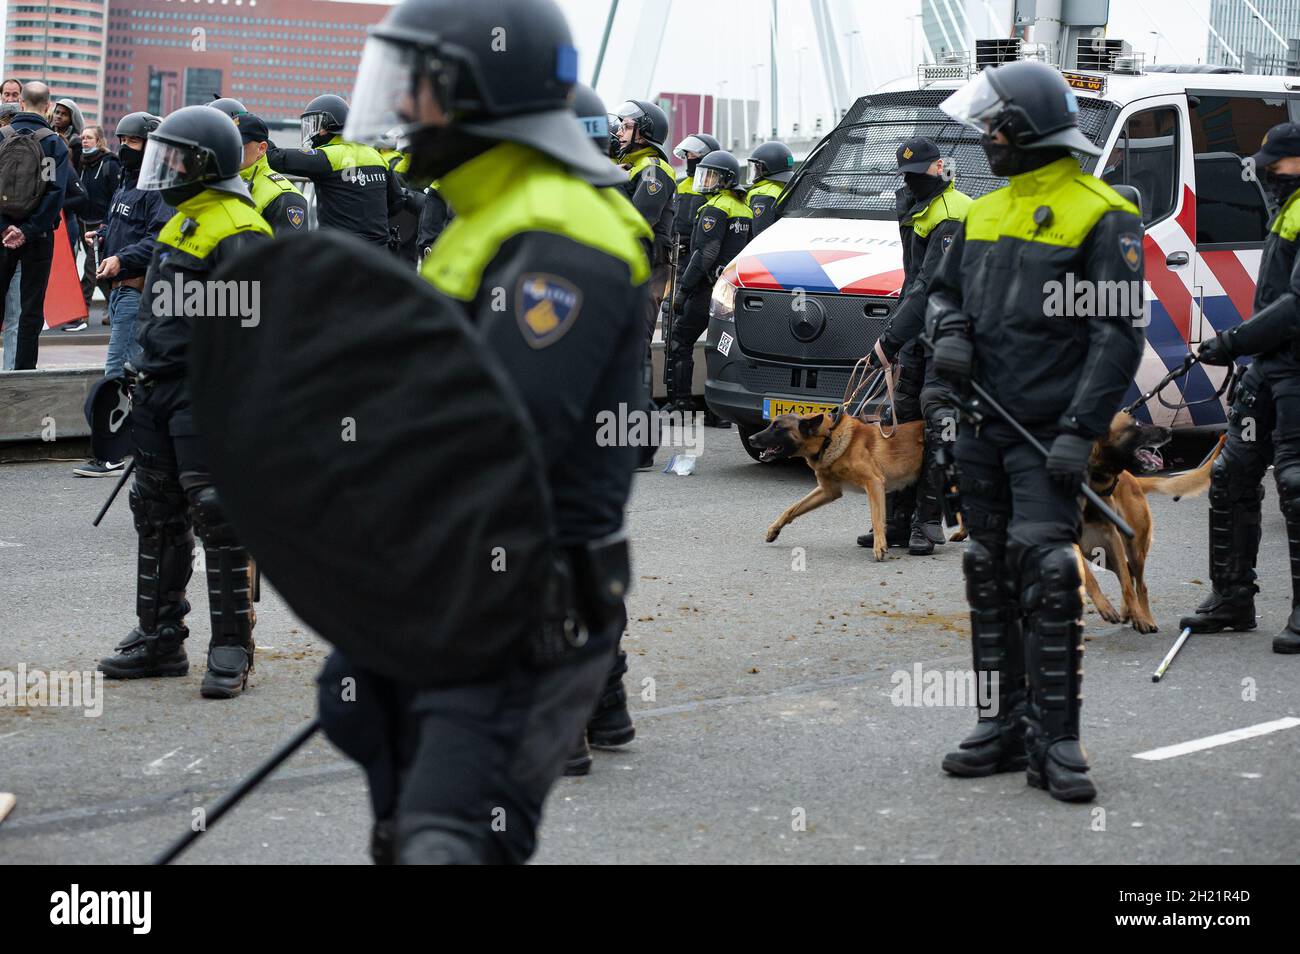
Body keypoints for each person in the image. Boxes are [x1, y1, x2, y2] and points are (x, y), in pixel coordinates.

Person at [329, 0, 649, 863]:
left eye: (420, 91)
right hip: (446, 585)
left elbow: (502, 440)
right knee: (392, 796)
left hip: (519, 602)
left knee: (453, 837)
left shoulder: (560, 234)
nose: (401, 110)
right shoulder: (486, 216)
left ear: (482, 94)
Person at [928, 61, 1145, 802]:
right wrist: (950, 327)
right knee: (986, 569)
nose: (984, 139)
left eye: (993, 127)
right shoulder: (981, 212)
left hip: (1046, 431)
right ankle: (1002, 725)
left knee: (1048, 575)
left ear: (1022, 131)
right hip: (983, 424)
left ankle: (1057, 739)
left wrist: (1079, 430)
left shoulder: (1101, 211)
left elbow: (1117, 336)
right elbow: (940, 293)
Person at [95, 105, 272, 698]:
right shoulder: (180, 219)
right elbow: (160, 306)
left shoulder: (240, 226)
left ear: (205, 164)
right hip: (158, 388)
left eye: (174, 156)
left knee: (218, 514)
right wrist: (136, 366)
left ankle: (231, 648)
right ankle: (160, 638)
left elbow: (249, 320)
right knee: (155, 512)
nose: (162, 166)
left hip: (207, 391)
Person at [1186, 121, 1300, 654]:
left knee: (1295, 488)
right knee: (1231, 475)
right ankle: (1232, 597)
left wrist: (1231, 340)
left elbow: (1296, 306)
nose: (1265, 173)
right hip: (1269, 366)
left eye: (1276, 163)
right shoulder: (1286, 208)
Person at [858, 137, 971, 556]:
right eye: (906, 175)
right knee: (902, 423)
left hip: (952, 333)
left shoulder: (952, 213)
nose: (911, 181)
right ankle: (895, 522)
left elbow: (931, 286)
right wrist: (897, 332)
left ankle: (928, 522)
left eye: (917, 173)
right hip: (919, 331)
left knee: (937, 424)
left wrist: (888, 340)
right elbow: (912, 284)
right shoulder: (917, 208)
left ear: (939, 168)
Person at [72, 112, 171, 477]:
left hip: (135, 290)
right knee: (133, 374)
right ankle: (144, 447)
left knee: (116, 374)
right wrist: (102, 237)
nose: (123, 148)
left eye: (131, 142)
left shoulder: (159, 189)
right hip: (117, 290)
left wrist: (121, 258)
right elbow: (127, 228)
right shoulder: (127, 182)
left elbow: (158, 239)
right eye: (121, 140)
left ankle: (110, 455)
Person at [666, 149, 752, 414]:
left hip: (705, 289)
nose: (705, 181)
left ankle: (680, 404)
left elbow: (705, 254)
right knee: (724, 348)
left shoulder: (714, 208)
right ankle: (723, 415)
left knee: (680, 340)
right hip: (731, 292)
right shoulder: (744, 209)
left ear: (725, 180)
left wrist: (683, 291)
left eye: (711, 176)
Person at [0, 81, 72, 370]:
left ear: (20, 103)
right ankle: (23, 376)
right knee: (30, 311)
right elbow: (55, 193)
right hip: (38, 238)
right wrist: (28, 230)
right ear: (47, 106)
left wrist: (6, 227)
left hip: (1, 236)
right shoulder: (52, 143)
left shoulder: (2, 136)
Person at [265, 94, 402, 246]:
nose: (313, 131)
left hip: (340, 252)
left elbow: (275, 158)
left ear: (327, 125)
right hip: (378, 252)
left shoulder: (327, 157)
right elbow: (397, 200)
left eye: (315, 124)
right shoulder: (376, 156)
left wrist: (256, 133)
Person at [233, 114, 309, 235]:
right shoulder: (221, 183)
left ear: (262, 148)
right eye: (228, 142)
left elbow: (292, 252)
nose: (231, 149)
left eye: (238, 145)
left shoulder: (286, 197)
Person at [76, 125, 121, 311]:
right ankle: (115, 307)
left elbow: (116, 196)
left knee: (90, 270)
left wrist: (107, 222)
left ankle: (81, 313)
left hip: (101, 225)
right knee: (100, 270)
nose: (84, 141)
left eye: (88, 137)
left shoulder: (110, 164)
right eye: (83, 138)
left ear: (99, 141)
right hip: (83, 224)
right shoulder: (82, 163)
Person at [744, 139, 794, 237]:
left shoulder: (763, 195)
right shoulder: (787, 189)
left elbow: (759, 235)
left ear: (767, 168)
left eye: (756, 167)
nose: (754, 171)